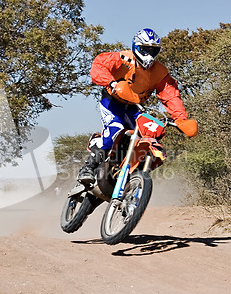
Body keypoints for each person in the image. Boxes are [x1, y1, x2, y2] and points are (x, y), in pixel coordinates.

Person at [77, 28, 198, 185]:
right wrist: (112, 83)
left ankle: (131, 175)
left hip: (134, 107)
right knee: (115, 128)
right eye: (145, 49)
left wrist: (181, 118)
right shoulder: (123, 58)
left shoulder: (160, 72)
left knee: (153, 133)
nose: (149, 54)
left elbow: (170, 95)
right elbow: (99, 64)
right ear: (136, 47)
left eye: (153, 51)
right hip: (112, 101)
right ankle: (88, 167)